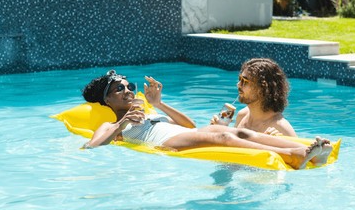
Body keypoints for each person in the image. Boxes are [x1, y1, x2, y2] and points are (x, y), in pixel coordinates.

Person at [81, 70, 332, 169]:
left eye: (129, 86)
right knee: (224, 135)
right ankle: (294, 156)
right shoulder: (110, 124)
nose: (127, 91)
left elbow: (189, 126)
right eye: (119, 89)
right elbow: (90, 147)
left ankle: (301, 148)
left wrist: (158, 104)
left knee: (238, 133)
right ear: (107, 102)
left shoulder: (149, 112)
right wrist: (121, 125)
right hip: (165, 143)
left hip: (179, 134)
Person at [211, 58, 296, 137]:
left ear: (262, 88)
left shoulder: (280, 127)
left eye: (244, 81)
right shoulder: (242, 115)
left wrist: (276, 143)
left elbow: (304, 151)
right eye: (239, 79)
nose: (238, 84)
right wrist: (219, 130)